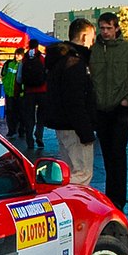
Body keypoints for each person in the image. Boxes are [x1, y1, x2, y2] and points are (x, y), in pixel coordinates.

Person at [90, 12, 128, 209]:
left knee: (118, 155)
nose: (105, 32)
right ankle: (110, 198)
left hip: (119, 110)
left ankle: (118, 200)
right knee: (107, 156)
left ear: (116, 28)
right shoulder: (94, 50)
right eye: (102, 28)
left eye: (109, 28)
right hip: (100, 110)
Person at [42, 19, 97, 185]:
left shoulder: (60, 59)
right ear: (84, 36)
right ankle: (74, 201)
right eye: (92, 37)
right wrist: (86, 131)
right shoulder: (75, 62)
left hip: (63, 124)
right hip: (75, 126)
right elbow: (75, 100)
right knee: (81, 174)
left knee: (68, 172)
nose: (93, 42)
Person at [18, 41, 48, 147]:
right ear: (37, 46)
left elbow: (19, 78)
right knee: (41, 115)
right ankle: (39, 135)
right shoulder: (42, 58)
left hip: (29, 92)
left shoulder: (24, 59)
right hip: (42, 91)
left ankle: (29, 139)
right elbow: (47, 73)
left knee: (29, 116)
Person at [2, 48, 23, 139]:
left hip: (19, 93)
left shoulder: (23, 65)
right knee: (9, 112)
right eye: (16, 54)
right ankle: (11, 130)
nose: (17, 56)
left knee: (19, 113)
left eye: (19, 54)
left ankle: (20, 130)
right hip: (9, 92)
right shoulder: (9, 64)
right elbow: (3, 74)